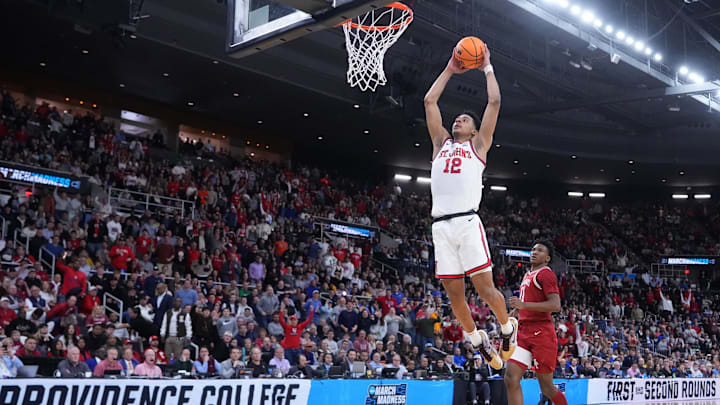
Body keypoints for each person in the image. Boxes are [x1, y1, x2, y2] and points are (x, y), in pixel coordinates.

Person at [423, 43, 515, 369]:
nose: (458, 120)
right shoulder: (440, 144)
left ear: (475, 130)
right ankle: (478, 340)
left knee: (486, 290)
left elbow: (494, 101)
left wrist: (487, 66)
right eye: (457, 118)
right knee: (454, 295)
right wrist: (450, 68)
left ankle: (506, 328)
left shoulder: (478, 146)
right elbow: (429, 101)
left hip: (466, 222)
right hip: (441, 225)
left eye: (464, 119)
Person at [505, 242, 567, 405]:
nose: (534, 252)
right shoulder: (528, 274)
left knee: (546, 387)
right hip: (524, 332)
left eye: (540, 250)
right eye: (533, 249)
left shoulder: (546, 274)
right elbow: (530, 300)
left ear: (547, 258)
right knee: (510, 377)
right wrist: (519, 311)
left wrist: (523, 305)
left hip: (542, 334)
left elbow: (555, 305)